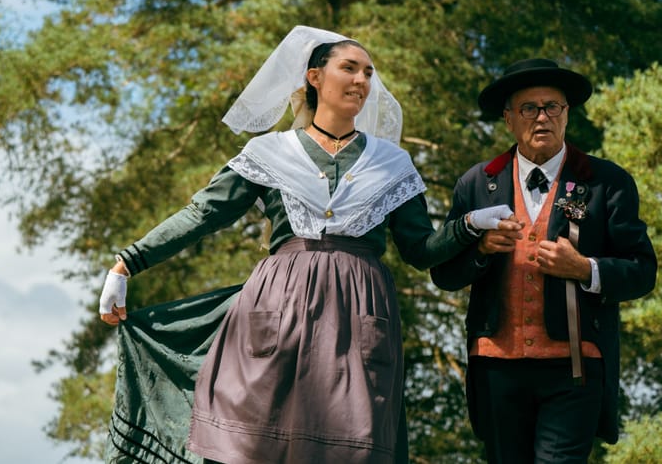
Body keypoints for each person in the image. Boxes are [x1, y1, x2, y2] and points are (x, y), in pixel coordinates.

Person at [98, 25, 512, 464]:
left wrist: (468, 226)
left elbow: (419, 250)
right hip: (273, 311)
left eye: (369, 73)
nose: (362, 81)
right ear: (314, 77)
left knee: (352, 447)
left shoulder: (392, 163)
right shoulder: (269, 153)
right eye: (349, 68)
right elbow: (202, 214)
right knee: (256, 442)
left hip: (360, 318)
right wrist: (126, 264)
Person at [430, 58, 657, 464]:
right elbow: (444, 273)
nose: (542, 117)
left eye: (552, 106)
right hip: (495, 366)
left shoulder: (607, 181)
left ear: (566, 114)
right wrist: (480, 251)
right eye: (528, 108)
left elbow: (643, 270)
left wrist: (586, 270)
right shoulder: (476, 183)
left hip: (574, 368)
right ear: (508, 120)